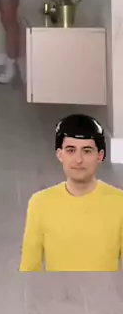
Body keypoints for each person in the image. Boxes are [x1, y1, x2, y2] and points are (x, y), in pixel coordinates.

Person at [19, 114, 123, 271]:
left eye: (87, 151)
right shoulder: (40, 203)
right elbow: (28, 268)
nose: (78, 159)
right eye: (71, 150)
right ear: (59, 154)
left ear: (100, 156)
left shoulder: (119, 203)